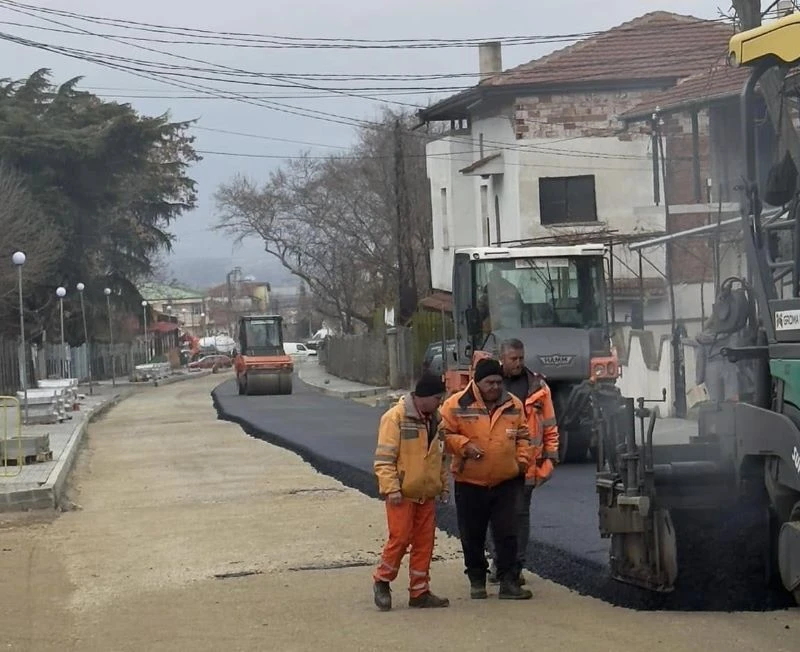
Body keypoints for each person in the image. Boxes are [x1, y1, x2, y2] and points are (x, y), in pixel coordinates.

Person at [439, 357, 533, 600]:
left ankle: (508, 582)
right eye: (490, 382)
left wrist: (522, 462)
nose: (495, 387)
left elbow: (524, 435)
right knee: (472, 534)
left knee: (507, 534)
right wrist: (464, 445)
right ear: (477, 382)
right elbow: (443, 434)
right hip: (470, 483)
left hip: (506, 481)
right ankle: (477, 580)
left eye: (498, 382)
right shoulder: (456, 404)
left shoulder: (513, 405)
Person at [372, 372, 450, 611]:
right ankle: (382, 581)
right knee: (401, 538)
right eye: (438, 398)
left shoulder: (437, 421)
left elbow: (441, 458)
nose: (441, 402)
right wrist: (391, 488)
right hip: (402, 495)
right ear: (424, 397)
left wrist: (443, 486)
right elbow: (384, 459)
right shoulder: (394, 418)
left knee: (425, 543)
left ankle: (419, 592)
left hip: (426, 494)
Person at [486, 338, 560, 585]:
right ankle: (498, 562)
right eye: (513, 359)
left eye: (520, 358)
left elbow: (550, 428)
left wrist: (548, 463)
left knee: (519, 516)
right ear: (502, 358)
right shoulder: (490, 385)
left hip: (526, 466)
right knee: (495, 516)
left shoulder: (538, 388)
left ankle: (516, 566)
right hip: (495, 464)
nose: (517, 363)